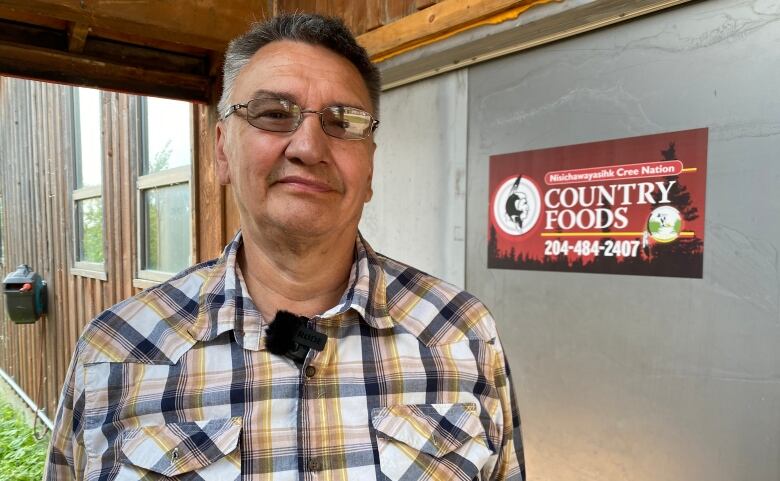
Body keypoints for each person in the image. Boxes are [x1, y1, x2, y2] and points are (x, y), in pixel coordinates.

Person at [46, 13, 524, 481]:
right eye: (274, 114)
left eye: (344, 121)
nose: (309, 147)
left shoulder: (462, 334)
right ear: (222, 150)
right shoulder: (117, 351)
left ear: (370, 165)